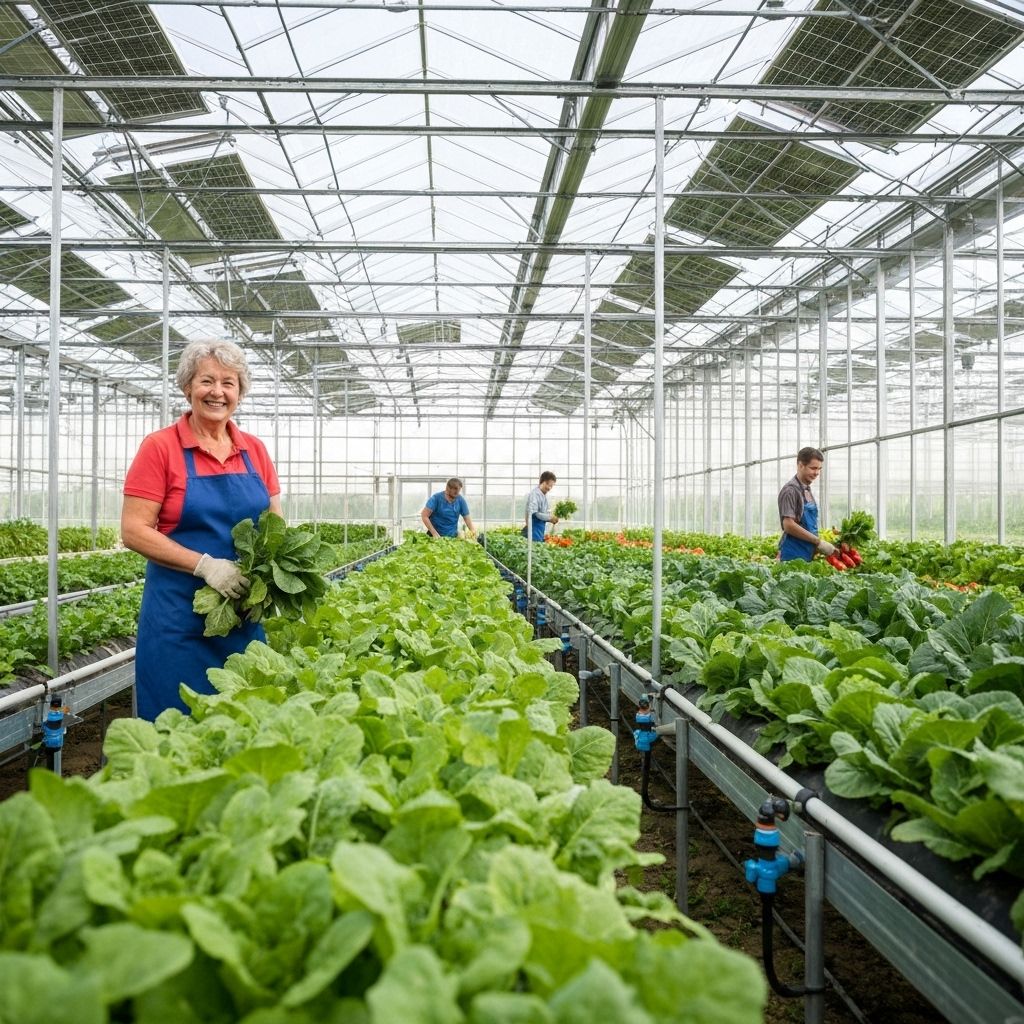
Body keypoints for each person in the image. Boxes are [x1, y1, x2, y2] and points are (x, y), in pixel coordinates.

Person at [121, 339, 282, 720]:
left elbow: (275, 524)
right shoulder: (161, 448)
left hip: (241, 617)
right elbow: (133, 530)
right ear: (187, 387)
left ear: (239, 393)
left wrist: (267, 578)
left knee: (239, 726)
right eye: (206, 381)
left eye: (229, 383)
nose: (217, 392)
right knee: (174, 729)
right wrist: (206, 566)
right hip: (178, 622)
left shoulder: (254, 450)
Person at [778, 447, 836, 563]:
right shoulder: (790, 491)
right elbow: (788, 525)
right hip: (793, 554)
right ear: (800, 465)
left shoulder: (806, 489)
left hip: (807, 551)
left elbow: (807, 525)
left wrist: (817, 545)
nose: (817, 473)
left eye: (819, 469)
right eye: (813, 468)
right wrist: (818, 542)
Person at [524, 471, 559, 542]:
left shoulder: (543, 495)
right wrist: (549, 518)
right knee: (534, 549)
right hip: (534, 530)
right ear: (542, 482)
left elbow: (543, 512)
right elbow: (535, 513)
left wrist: (551, 517)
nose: (549, 488)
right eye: (548, 485)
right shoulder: (535, 494)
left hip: (539, 530)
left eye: (551, 486)